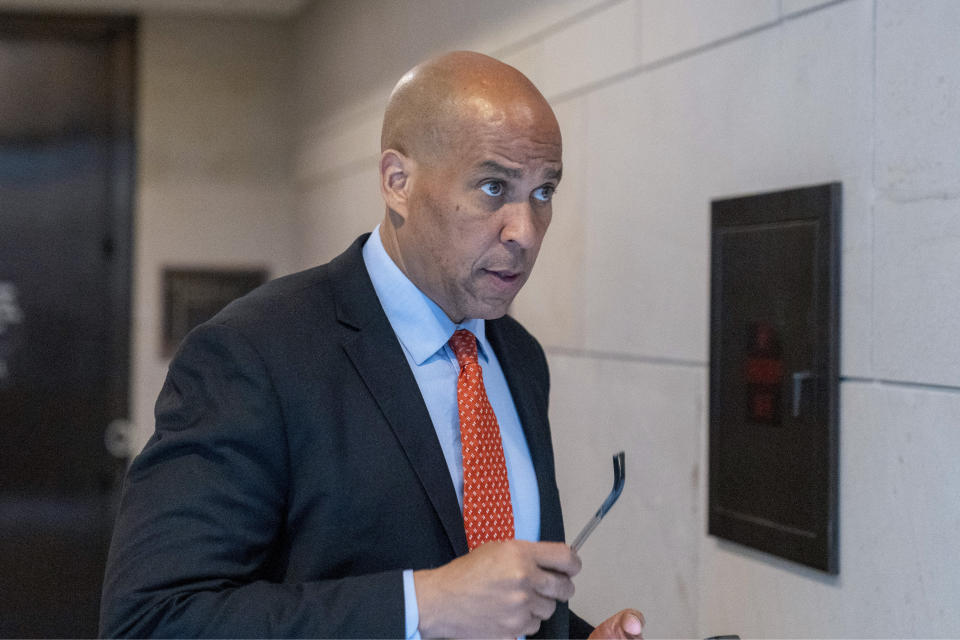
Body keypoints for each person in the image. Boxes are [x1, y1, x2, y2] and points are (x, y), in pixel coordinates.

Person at [100, 51, 645, 639]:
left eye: (543, 192)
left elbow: (496, 601)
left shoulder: (519, 357)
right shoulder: (254, 354)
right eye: (494, 187)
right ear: (397, 182)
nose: (525, 231)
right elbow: (150, 623)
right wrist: (423, 605)